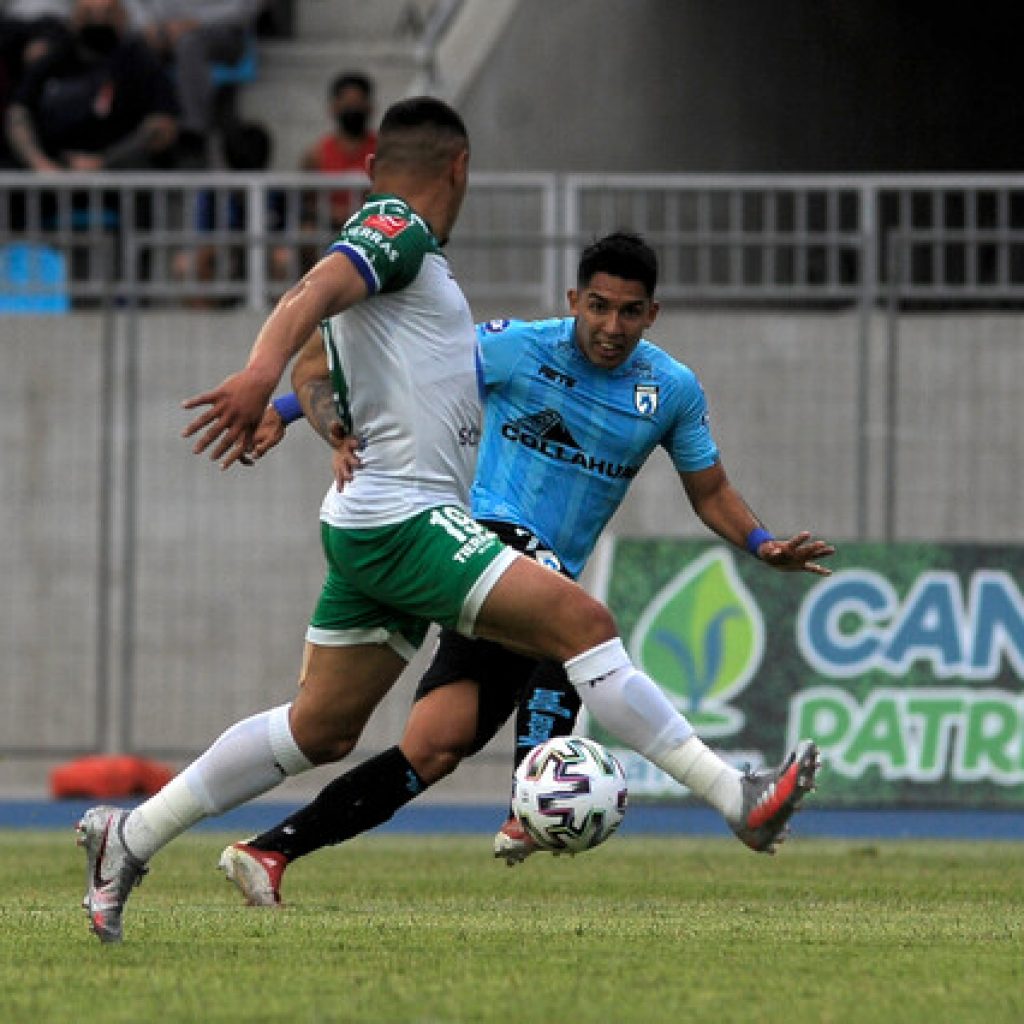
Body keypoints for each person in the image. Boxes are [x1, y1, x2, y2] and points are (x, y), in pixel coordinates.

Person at [77, 96, 831, 944]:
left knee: (320, 729)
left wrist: (303, 410)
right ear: (462, 168)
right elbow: (311, 293)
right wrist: (257, 379)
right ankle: (738, 797)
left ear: (371, 165)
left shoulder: (416, 269)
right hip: (407, 519)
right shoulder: (397, 229)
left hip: (374, 521)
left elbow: (324, 346)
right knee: (580, 620)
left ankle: (129, 836)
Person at [212, 231, 834, 905]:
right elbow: (404, 378)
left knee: (435, 747)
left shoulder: (672, 389)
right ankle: (682, 796)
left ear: (652, 314)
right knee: (578, 625)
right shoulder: (517, 346)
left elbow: (710, 492)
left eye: (629, 312)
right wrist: (282, 409)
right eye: (597, 306)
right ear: (573, 300)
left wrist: (762, 542)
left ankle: (268, 851)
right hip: (478, 541)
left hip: (525, 584)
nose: (610, 326)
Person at [4, 0, 178, 173]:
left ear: (123, 17)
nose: (98, 20)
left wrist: (104, 162)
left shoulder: (140, 61)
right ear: (73, 18)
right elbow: (18, 113)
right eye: (89, 14)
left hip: (123, 180)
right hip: (51, 179)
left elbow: (163, 125)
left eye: (107, 13)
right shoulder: (54, 58)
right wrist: (40, 164)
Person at [126, 0, 258, 167]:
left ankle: (194, 133)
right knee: (131, 46)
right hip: (161, 30)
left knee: (189, 44)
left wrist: (196, 22)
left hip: (219, 29)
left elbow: (245, 8)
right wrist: (148, 24)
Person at [300, 70, 376, 230]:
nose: (353, 108)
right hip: (327, 229)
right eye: (347, 103)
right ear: (334, 107)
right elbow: (305, 202)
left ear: (370, 107)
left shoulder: (383, 152)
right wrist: (333, 214)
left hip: (372, 230)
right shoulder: (315, 155)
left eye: (358, 102)